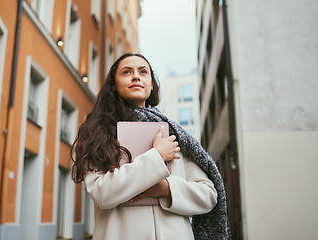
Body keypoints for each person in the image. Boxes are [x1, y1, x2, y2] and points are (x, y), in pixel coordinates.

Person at [71, 53, 230, 240]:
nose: (136, 76)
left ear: (151, 84)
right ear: (113, 85)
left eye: (143, 71)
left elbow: (208, 195)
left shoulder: (176, 135)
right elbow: (102, 193)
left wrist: (165, 189)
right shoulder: (98, 133)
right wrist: (156, 156)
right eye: (126, 72)